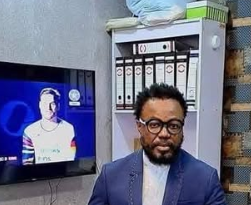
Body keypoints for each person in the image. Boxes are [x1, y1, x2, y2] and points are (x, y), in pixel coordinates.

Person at [88, 83, 226, 205]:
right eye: (154, 124)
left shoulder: (205, 179)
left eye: (173, 125)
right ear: (139, 126)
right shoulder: (110, 176)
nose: (164, 134)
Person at [22, 87, 76, 164]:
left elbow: (72, 162)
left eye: (52, 103)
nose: (48, 108)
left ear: (58, 106)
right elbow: (27, 163)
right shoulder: (30, 131)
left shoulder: (69, 129)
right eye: (45, 103)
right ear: (40, 105)